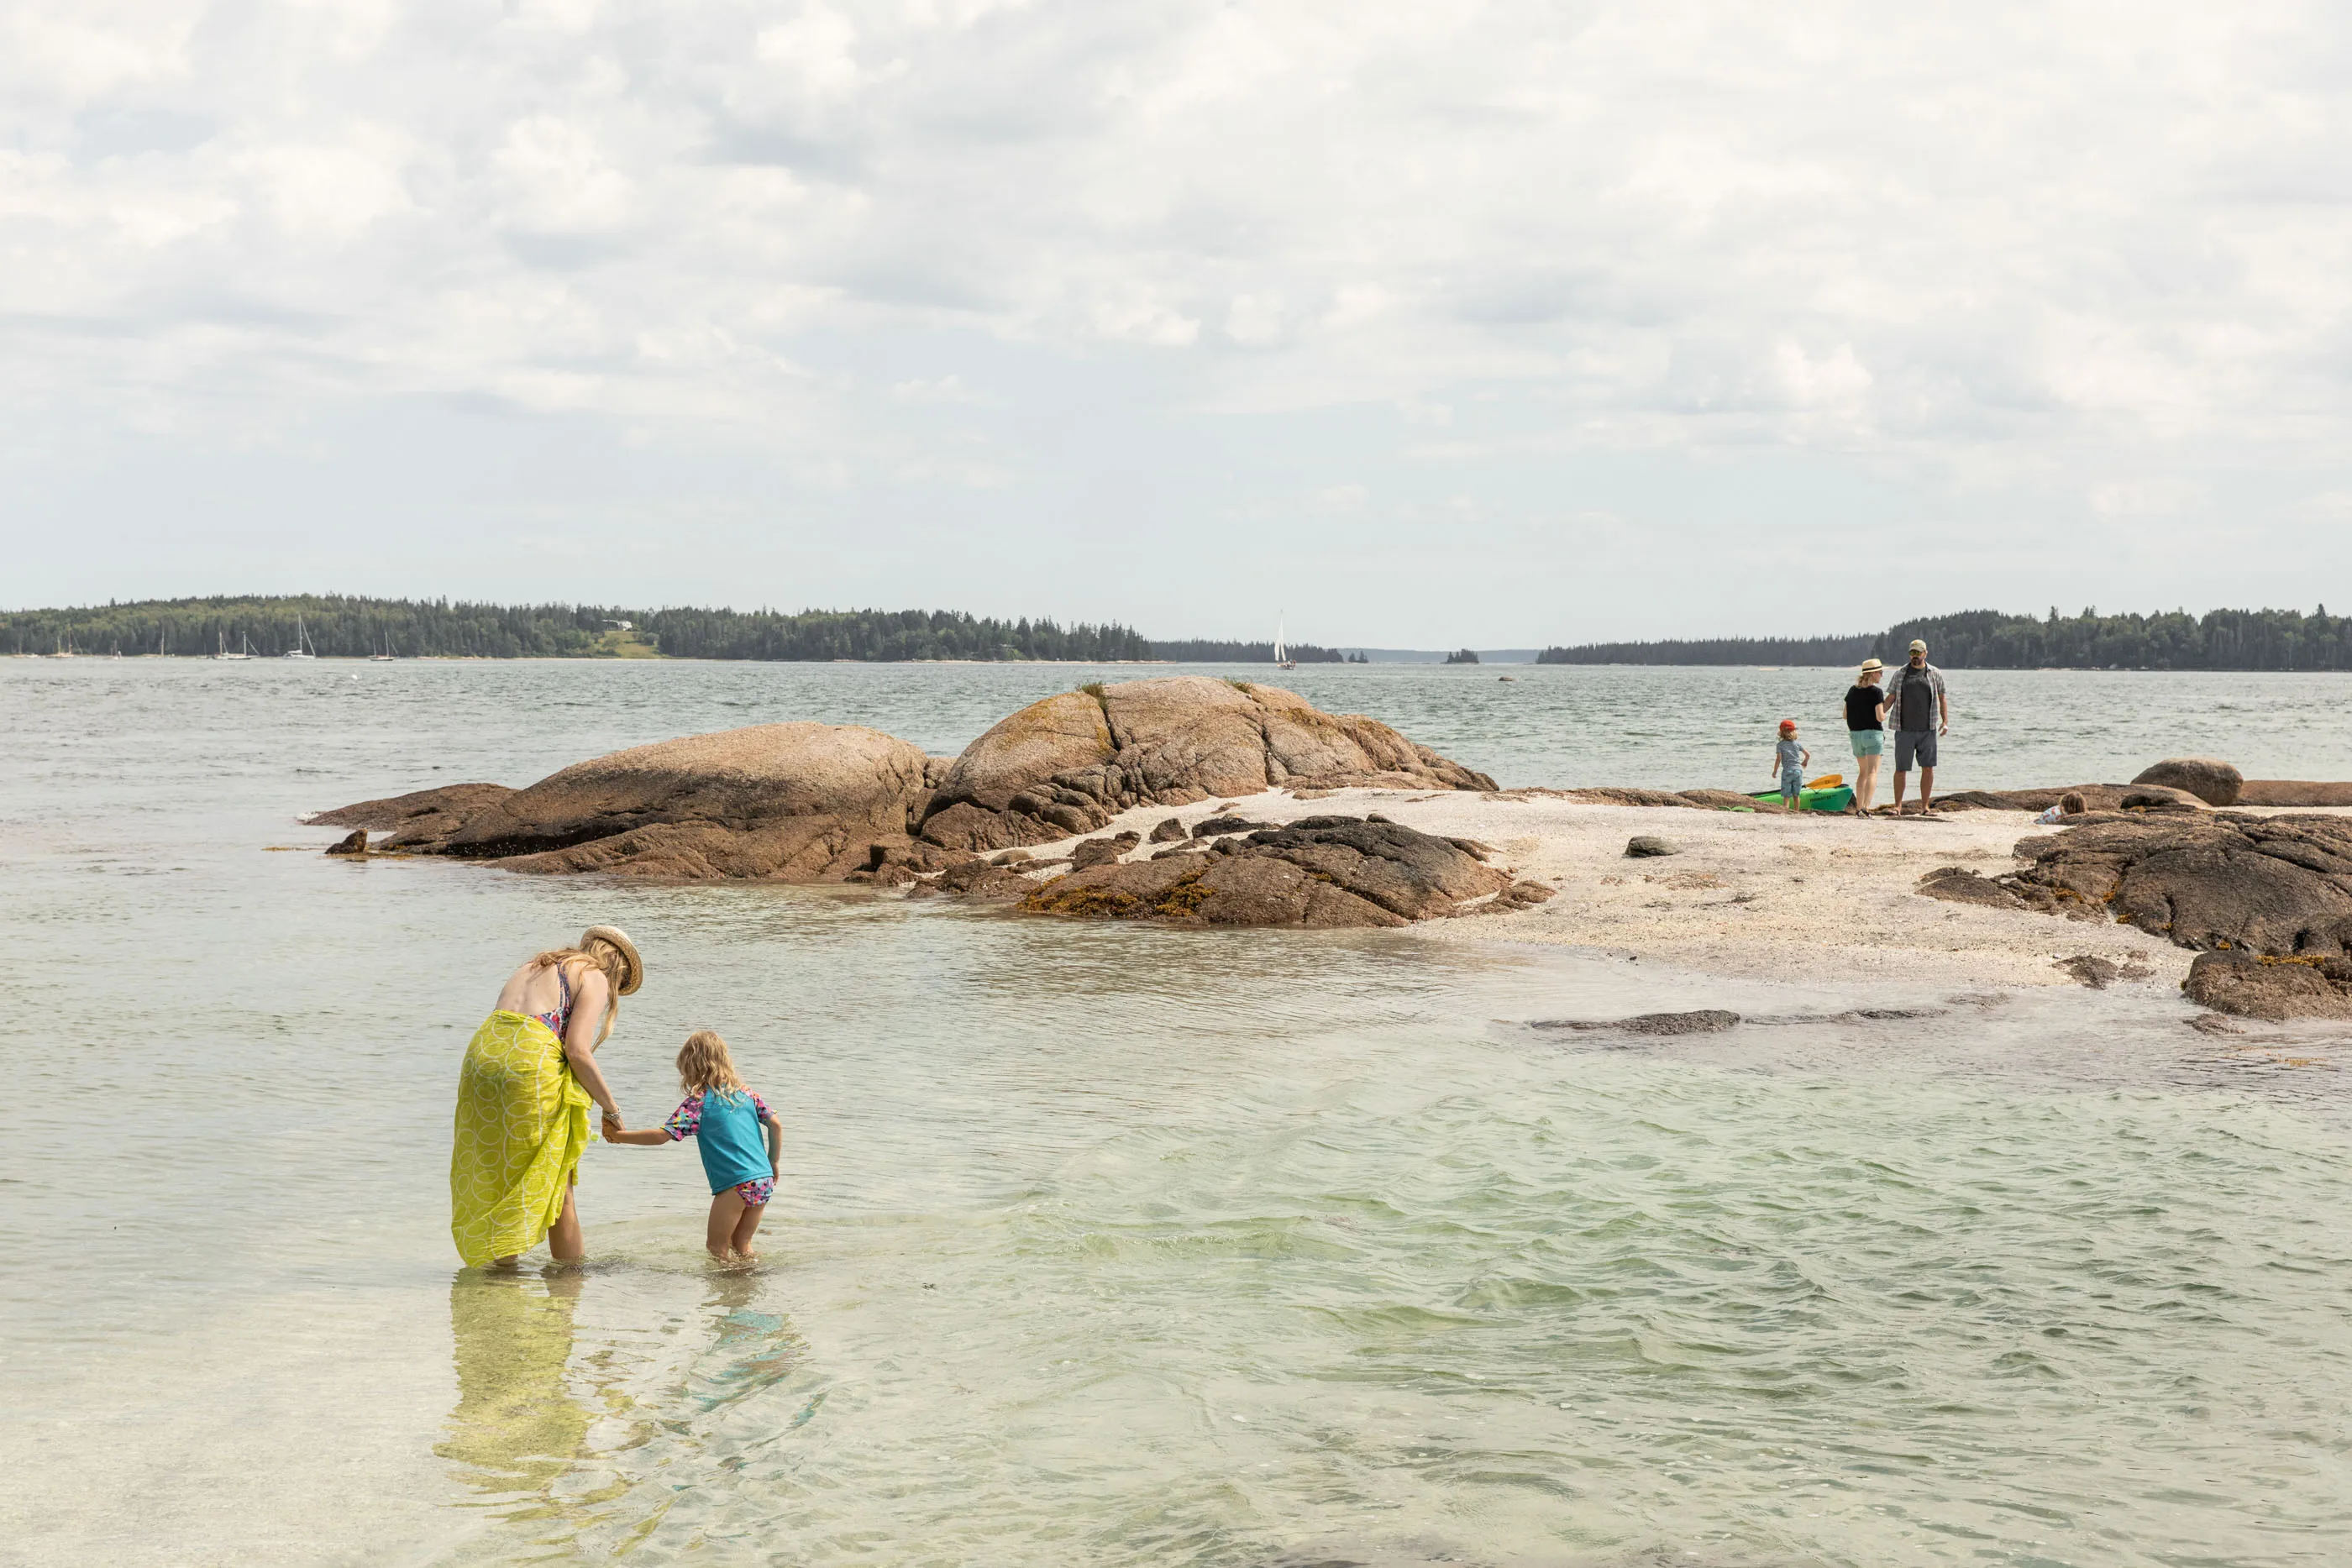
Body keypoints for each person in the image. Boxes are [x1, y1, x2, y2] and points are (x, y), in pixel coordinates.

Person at [451, 926, 643, 1268]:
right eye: (622, 980)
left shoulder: (534, 965)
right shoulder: (593, 974)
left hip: (482, 1056)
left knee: (498, 1173)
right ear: (618, 965)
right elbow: (578, 1051)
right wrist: (611, 1110)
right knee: (558, 1181)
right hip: (527, 1062)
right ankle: (569, 1281)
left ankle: (501, 1278)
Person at [606, 1030, 785, 1263]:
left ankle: (728, 1293)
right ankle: (751, 1284)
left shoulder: (699, 1103)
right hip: (763, 1180)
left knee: (716, 1248)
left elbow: (662, 1136)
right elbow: (776, 1124)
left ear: (692, 1068)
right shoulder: (747, 1094)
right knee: (742, 1244)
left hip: (736, 1183)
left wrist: (620, 1136)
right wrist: (773, 1162)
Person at [1882, 638, 1950, 815]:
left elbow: (1942, 698)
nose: (1915, 656)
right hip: (1903, 729)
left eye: (1918, 652)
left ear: (1925, 653)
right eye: (1912, 652)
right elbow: (1891, 697)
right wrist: (1878, 715)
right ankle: (1898, 807)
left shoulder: (1935, 673)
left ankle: (1925, 807)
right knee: (1901, 768)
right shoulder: (1900, 673)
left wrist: (1945, 721)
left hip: (1928, 729)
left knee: (1928, 767)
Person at [1844, 658, 1887, 814]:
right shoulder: (1876, 692)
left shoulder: (1852, 690)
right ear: (1873, 674)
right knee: (1872, 772)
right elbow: (1880, 717)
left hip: (1855, 735)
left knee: (1862, 772)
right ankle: (1866, 807)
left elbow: (1845, 714)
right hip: (1873, 734)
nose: (1882, 675)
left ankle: (1858, 808)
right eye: (1880, 672)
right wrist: (1885, 713)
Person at [1770, 719, 1810, 809]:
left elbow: (1778, 759)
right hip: (1798, 771)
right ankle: (1796, 812)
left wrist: (1775, 771)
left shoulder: (1780, 745)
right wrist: (1804, 762)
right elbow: (1808, 755)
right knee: (1796, 795)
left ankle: (1786, 812)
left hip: (1787, 772)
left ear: (1781, 733)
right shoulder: (1797, 744)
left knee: (1787, 796)